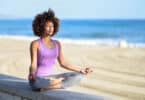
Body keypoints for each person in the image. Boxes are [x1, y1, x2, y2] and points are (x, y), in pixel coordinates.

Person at [28, 8, 93, 92]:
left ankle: (51, 85)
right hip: (39, 79)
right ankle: (54, 83)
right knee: (35, 84)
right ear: (41, 26)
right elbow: (33, 63)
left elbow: (63, 63)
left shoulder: (57, 44)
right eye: (48, 26)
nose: (51, 28)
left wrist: (81, 70)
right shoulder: (35, 43)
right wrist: (32, 73)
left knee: (79, 76)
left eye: (52, 26)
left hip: (53, 77)